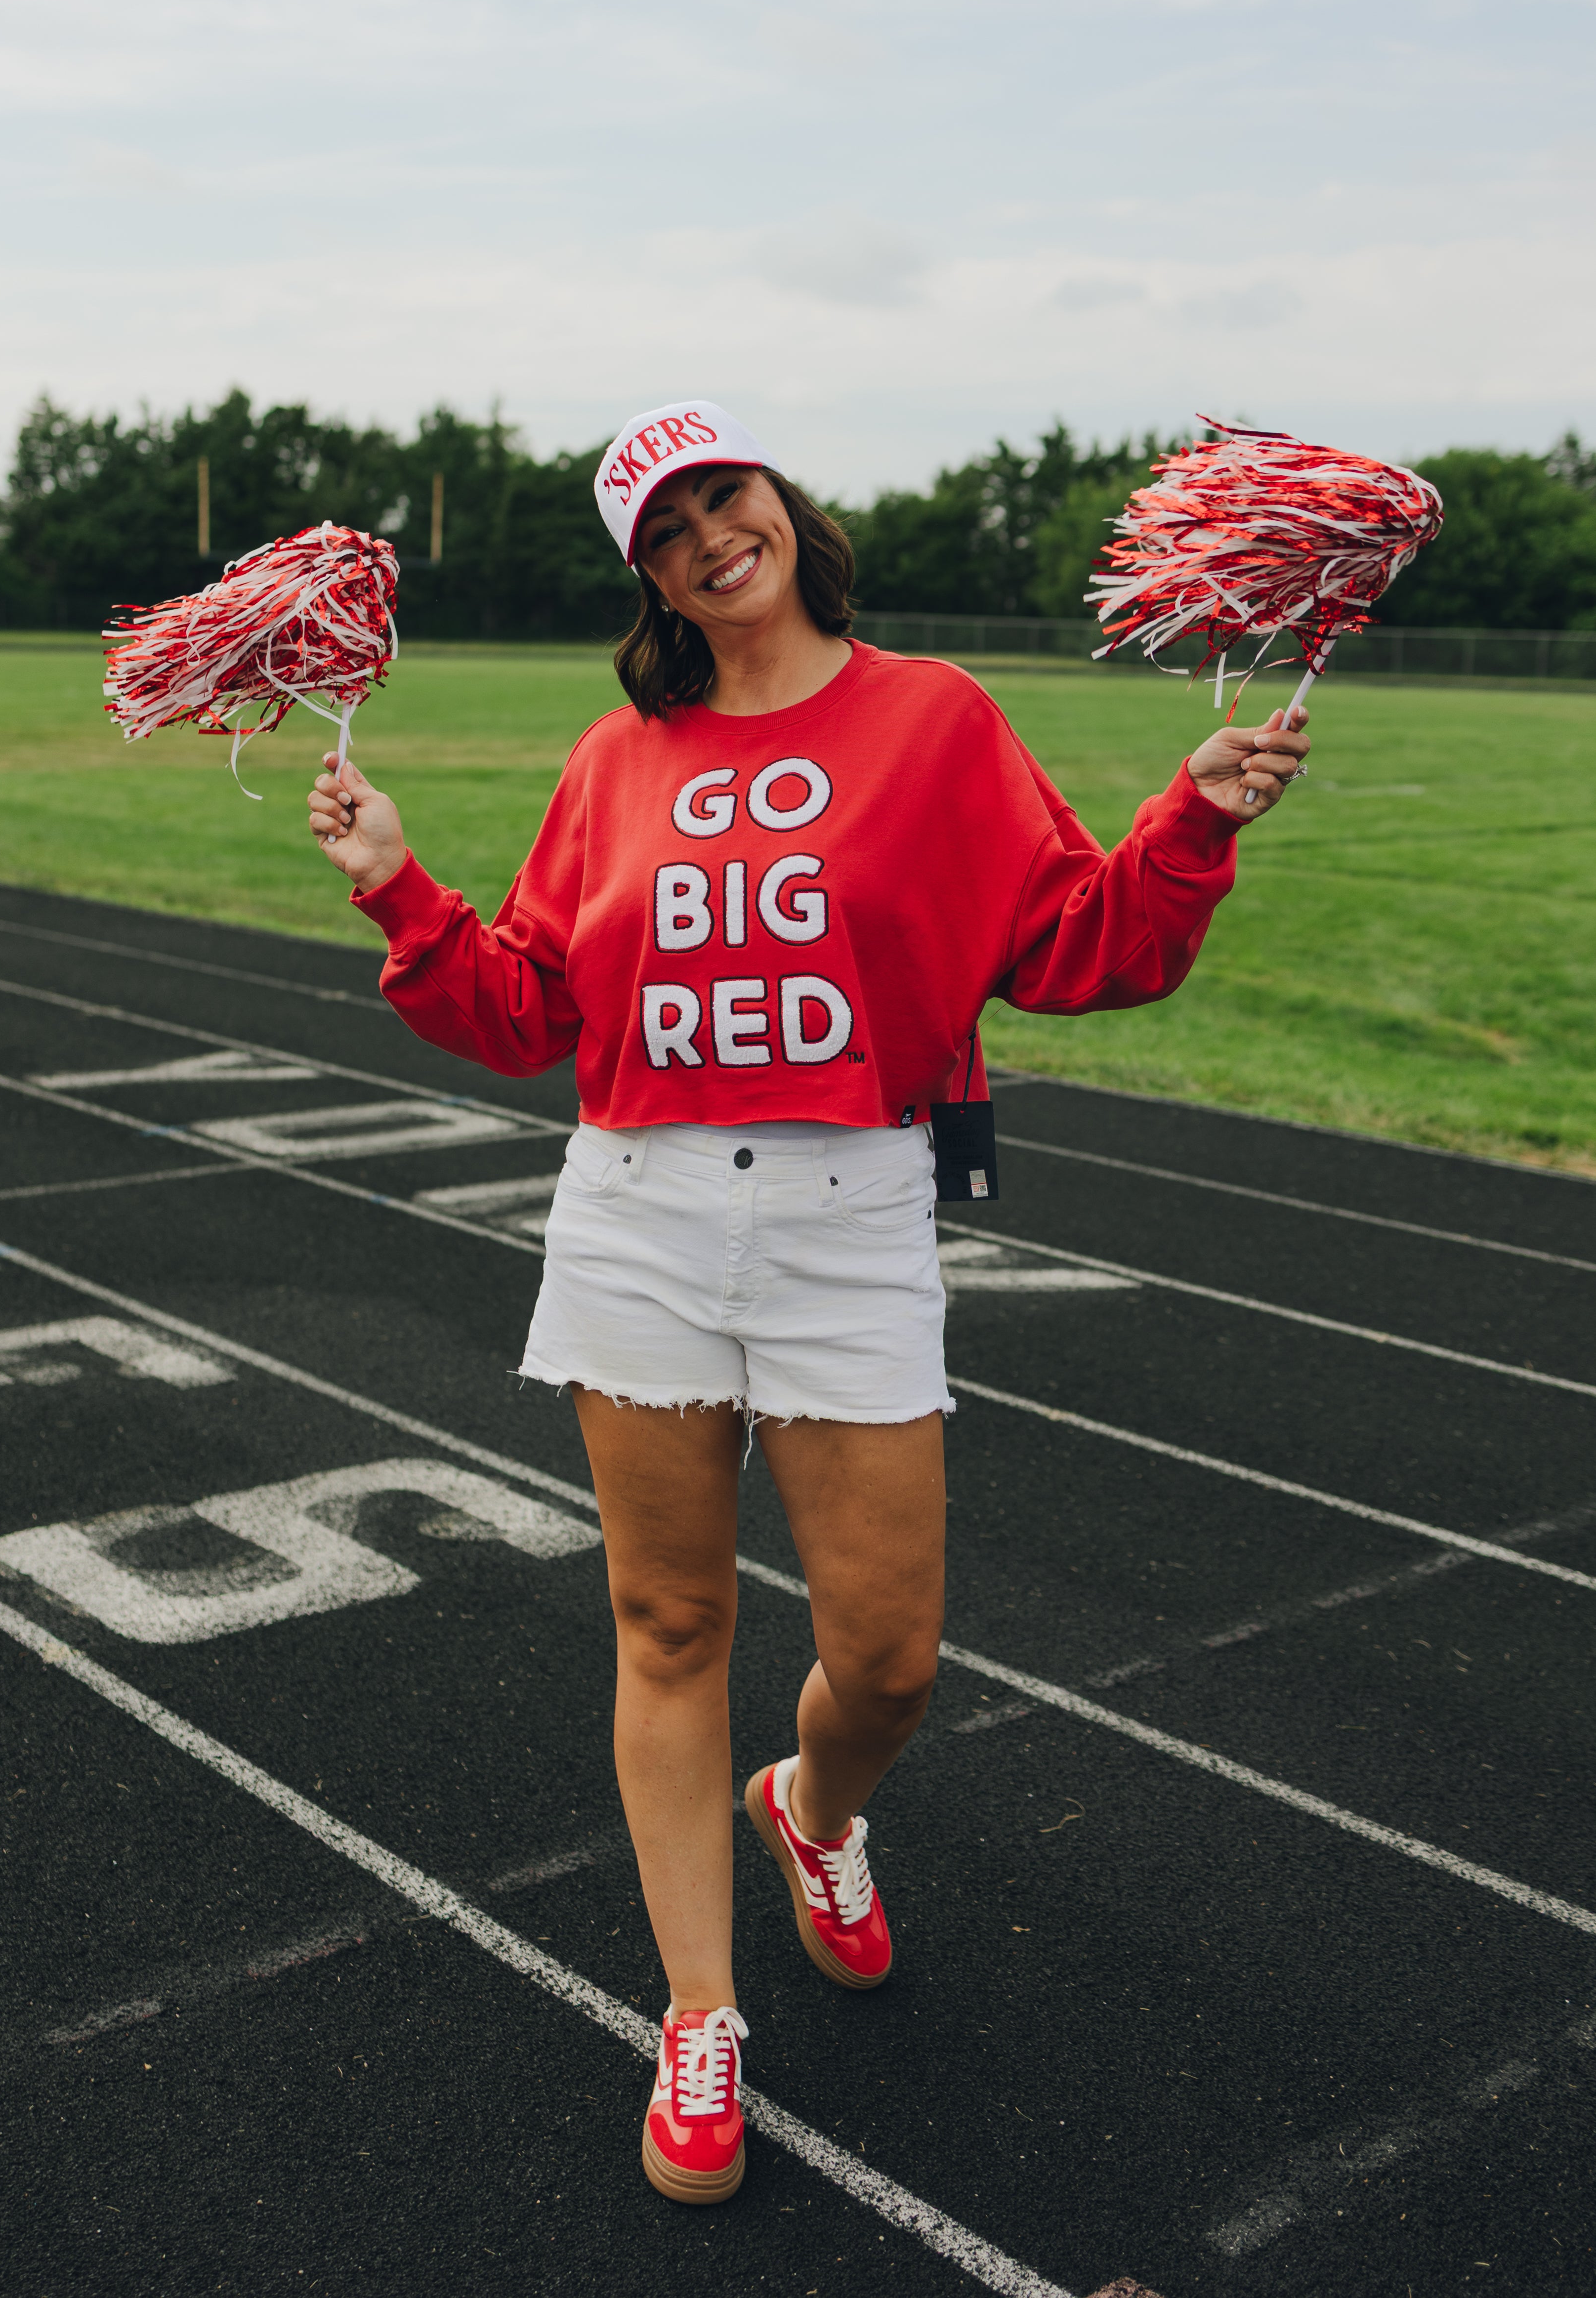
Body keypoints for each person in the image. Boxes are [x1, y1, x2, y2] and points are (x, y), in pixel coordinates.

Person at [306, 399, 1310, 2205]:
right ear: (651, 578)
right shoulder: (620, 756)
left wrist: (1193, 820)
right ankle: (700, 2017)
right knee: (667, 1624)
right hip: (640, 1207)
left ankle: (812, 1809)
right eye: (667, 526)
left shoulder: (933, 718)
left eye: (726, 494)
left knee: (891, 1655)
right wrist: (397, 883)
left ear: (781, 502)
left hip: (854, 1209)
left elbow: (1085, 943)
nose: (708, 535)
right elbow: (531, 1009)